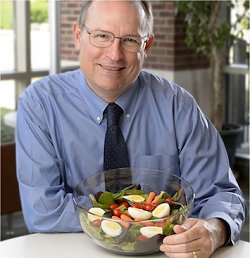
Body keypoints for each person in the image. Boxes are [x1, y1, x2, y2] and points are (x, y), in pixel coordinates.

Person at [16, 1, 246, 257]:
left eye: (129, 40)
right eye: (102, 36)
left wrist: (214, 231)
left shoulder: (177, 106)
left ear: (146, 46)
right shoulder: (40, 105)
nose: (114, 54)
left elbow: (221, 193)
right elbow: (43, 212)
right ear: (78, 36)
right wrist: (141, 215)